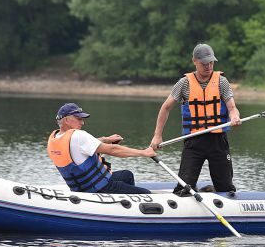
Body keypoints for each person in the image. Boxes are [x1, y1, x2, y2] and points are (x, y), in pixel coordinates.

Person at [150, 44, 241, 195]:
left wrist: (235, 117)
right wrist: (157, 135)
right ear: (194, 61)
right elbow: (166, 107)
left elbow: (232, 108)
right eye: (204, 63)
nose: (208, 66)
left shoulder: (221, 82)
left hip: (218, 141)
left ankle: (212, 193)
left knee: (226, 187)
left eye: (211, 62)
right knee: (183, 188)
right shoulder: (184, 83)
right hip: (194, 141)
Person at [48, 102, 156, 194]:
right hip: (99, 188)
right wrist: (144, 153)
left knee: (126, 175)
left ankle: (124, 202)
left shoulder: (56, 138)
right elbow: (113, 150)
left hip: (80, 188)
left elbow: (79, 146)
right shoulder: (78, 135)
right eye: (79, 119)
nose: (82, 122)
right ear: (66, 120)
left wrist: (106, 139)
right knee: (146, 194)